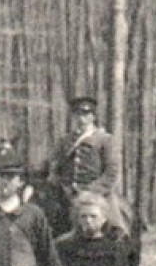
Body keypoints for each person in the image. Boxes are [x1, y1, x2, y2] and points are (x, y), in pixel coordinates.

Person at [45, 96, 129, 236]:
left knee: (115, 226)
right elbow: (55, 166)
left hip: (96, 192)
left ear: (93, 117)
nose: (81, 119)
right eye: (77, 114)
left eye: (85, 114)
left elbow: (111, 172)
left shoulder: (105, 140)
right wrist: (56, 179)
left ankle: (120, 245)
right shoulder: (65, 141)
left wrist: (91, 191)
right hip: (66, 193)